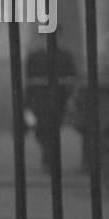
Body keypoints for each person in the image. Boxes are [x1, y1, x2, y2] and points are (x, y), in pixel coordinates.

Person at [24, 43, 77, 180]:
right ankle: (48, 157)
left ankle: (50, 159)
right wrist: (27, 102)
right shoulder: (34, 57)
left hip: (58, 99)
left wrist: (69, 97)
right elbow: (29, 80)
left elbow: (71, 77)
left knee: (53, 130)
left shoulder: (65, 56)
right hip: (39, 100)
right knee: (41, 130)